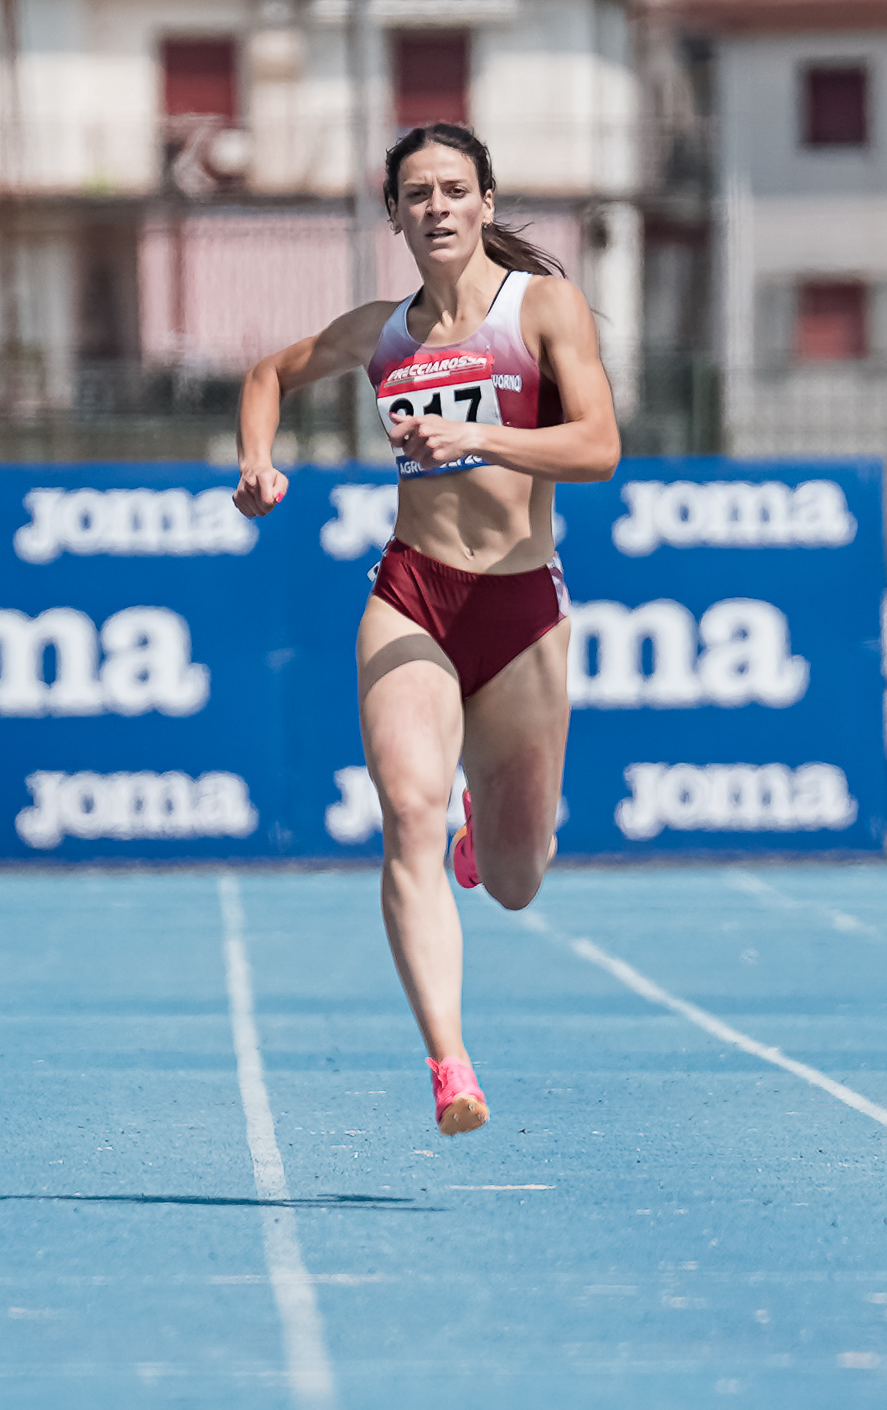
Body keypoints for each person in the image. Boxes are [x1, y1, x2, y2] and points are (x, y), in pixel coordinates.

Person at [234, 123, 620, 1135]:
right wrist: (256, 464)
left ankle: (482, 837)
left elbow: (598, 447)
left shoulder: (542, 307)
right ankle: (449, 1062)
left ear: (486, 202)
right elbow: (267, 375)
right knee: (407, 812)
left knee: (517, 880)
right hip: (412, 594)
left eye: (454, 189)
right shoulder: (382, 332)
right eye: (418, 193)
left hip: (520, 609)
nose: (437, 207)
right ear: (395, 215)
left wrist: (477, 435)